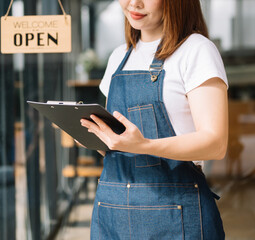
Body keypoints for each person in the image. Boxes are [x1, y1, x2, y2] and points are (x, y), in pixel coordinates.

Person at [79, 0, 228, 238]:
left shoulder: (197, 50)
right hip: (112, 215)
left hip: (176, 216)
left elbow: (215, 143)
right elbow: (119, 149)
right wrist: (93, 135)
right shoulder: (118, 57)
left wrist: (144, 146)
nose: (133, 3)